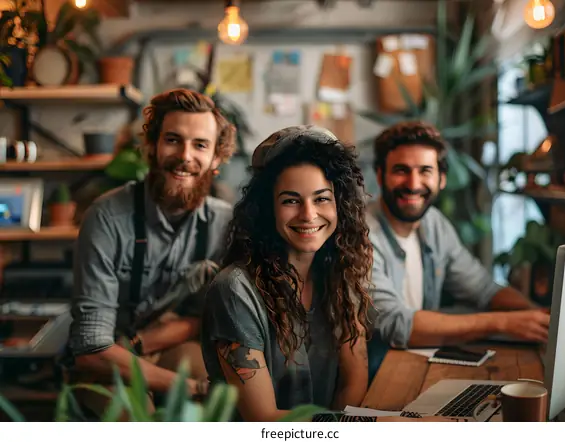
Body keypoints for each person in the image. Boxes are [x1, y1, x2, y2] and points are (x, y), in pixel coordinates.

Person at [200, 126, 449, 423]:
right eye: (291, 200)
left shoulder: (342, 272)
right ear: (267, 208)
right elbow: (263, 419)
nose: (308, 214)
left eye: (321, 199)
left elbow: (352, 383)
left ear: (340, 205)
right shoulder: (234, 290)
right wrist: (388, 425)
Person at [66, 89, 236, 419]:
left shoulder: (226, 224)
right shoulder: (106, 218)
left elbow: (221, 323)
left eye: (200, 145)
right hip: (110, 359)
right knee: (133, 415)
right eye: (173, 139)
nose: (185, 155)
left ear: (217, 158)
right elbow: (90, 348)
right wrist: (188, 388)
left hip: (171, 349)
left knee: (212, 395)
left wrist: (149, 340)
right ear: (152, 146)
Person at [366, 121, 551, 380]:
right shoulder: (362, 234)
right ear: (379, 175)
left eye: (425, 171)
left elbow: (483, 289)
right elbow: (397, 325)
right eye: (400, 170)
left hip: (414, 364)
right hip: (373, 377)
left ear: (441, 179)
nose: (413, 183)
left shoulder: (434, 224)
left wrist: (536, 318)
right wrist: (504, 323)